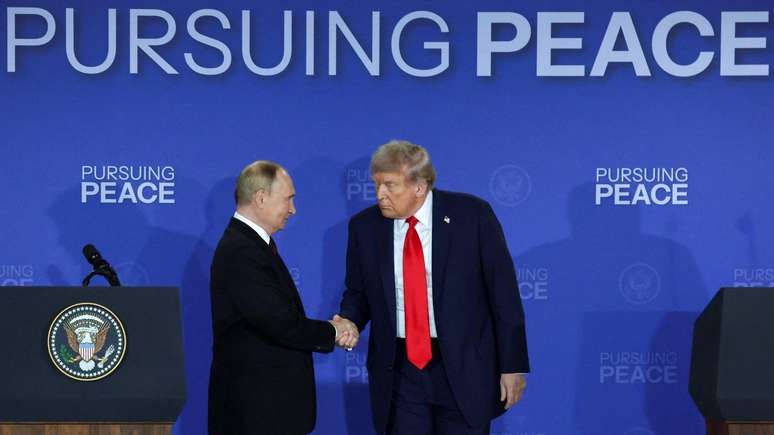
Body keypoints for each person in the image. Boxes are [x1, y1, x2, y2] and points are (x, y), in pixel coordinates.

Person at [337, 141, 530, 434]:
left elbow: (503, 294)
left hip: (463, 367)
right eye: (377, 184)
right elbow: (358, 293)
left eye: (390, 185)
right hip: (400, 372)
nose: (379, 195)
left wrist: (512, 364)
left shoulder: (472, 216)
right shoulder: (365, 227)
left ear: (419, 186)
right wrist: (348, 320)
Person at [208, 161, 357, 435]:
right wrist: (334, 331)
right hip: (256, 414)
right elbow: (278, 322)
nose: (293, 209)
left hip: (267, 412)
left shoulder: (253, 245)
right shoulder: (242, 252)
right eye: (288, 199)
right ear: (261, 198)